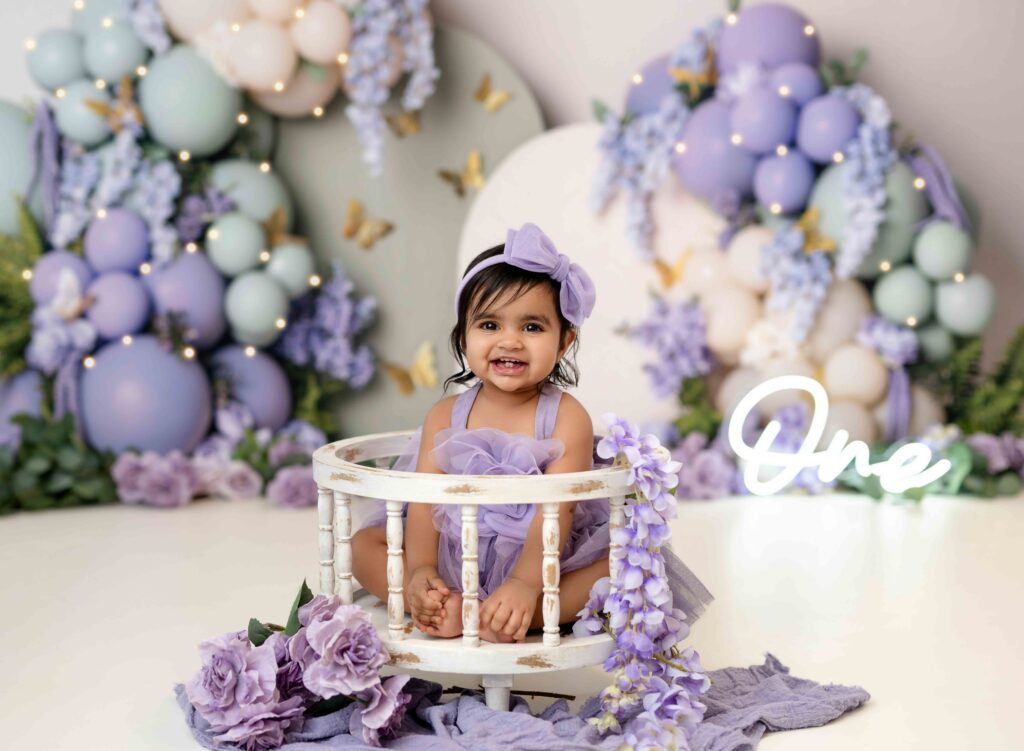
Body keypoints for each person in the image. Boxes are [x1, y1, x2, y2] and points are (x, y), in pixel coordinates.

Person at [352, 223, 711, 642]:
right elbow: (422, 507)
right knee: (363, 544)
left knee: (624, 563)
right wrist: (421, 571)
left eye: (532, 327)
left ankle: (520, 613)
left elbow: (557, 513)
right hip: (453, 554)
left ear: (563, 343)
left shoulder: (565, 417)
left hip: (543, 563)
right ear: (462, 335)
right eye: (489, 325)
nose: (510, 341)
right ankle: (434, 604)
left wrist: (525, 583)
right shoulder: (446, 414)